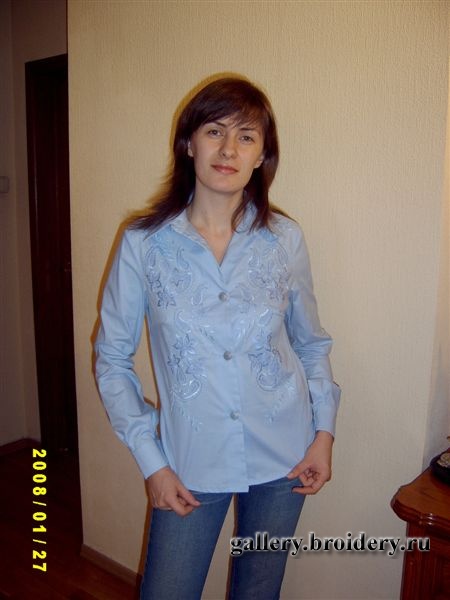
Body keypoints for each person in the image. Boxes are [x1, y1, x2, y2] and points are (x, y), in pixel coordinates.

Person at [95, 76, 340, 600]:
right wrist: (152, 462)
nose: (229, 149)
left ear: (262, 155)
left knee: (258, 591)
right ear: (189, 144)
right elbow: (111, 359)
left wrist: (324, 433)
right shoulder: (144, 244)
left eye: (246, 136)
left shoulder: (284, 239)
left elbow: (310, 343)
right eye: (214, 131)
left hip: (286, 455)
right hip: (190, 462)